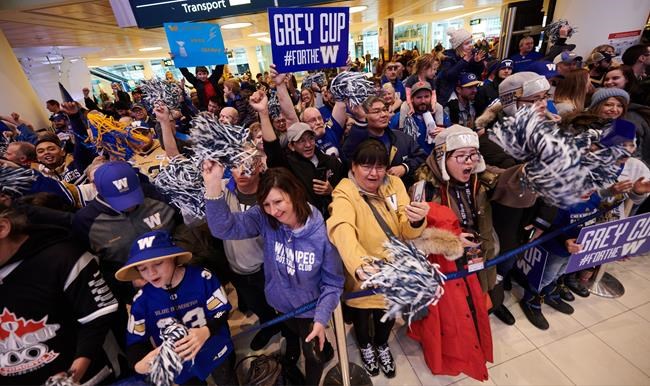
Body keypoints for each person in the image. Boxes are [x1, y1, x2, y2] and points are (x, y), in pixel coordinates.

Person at [202, 165, 344, 385]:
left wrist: (321, 318)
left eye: (278, 202)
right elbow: (224, 228)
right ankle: (297, 347)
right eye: (267, 204)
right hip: (280, 304)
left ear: (294, 194)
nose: (273, 211)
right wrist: (212, 187)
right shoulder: (265, 218)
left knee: (313, 356)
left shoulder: (323, 234)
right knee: (292, 334)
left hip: (310, 310)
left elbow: (334, 283)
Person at [327, 139, 430, 378]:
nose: (374, 173)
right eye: (366, 166)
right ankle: (365, 346)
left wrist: (415, 220)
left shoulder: (394, 184)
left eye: (380, 166)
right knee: (362, 318)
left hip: (394, 269)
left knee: (387, 315)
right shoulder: (345, 191)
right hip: (365, 275)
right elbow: (340, 226)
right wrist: (361, 264)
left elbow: (406, 229)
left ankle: (382, 345)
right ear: (353, 167)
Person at [0, 204, 120, 385]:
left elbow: (97, 322)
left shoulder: (64, 258)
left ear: (3, 228)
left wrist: (71, 378)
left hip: (89, 378)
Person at [117, 230, 237, 385]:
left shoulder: (202, 277)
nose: (151, 273)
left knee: (226, 378)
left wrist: (206, 330)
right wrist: (139, 364)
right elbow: (135, 341)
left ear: (173, 258)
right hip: (179, 361)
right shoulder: (142, 300)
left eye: (158, 263)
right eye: (143, 268)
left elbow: (222, 310)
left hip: (215, 345)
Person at [249, 90, 343, 217]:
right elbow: (272, 150)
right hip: (307, 226)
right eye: (301, 141)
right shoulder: (288, 166)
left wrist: (332, 191)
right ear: (291, 146)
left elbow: (346, 190)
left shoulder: (331, 162)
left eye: (310, 138)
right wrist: (263, 114)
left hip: (335, 221)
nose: (308, 144)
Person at [342, 96, 427, 188]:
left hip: (401, 195)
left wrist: (404, 167)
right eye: (376, 111)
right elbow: (347, 160)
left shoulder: (402, 137)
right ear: (365, 115)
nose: (383, 114)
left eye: (385, 110)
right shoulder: (357, 141)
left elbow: (421, 156)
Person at [436, 28, 485, 106]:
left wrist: (477, 62)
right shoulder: (448, 57)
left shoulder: (471, 54)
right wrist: (464, 61)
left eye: (471, 42)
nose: (470, 45)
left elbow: (477, 73)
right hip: (450, 93)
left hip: (467, 90)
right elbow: (449, 75)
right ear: (458, 46)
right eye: (466, 43)